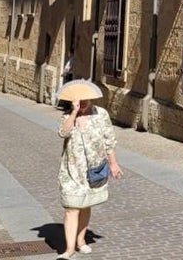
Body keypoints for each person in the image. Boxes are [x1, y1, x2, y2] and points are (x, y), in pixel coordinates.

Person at [56, 99, 123, 258]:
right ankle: (69, 249)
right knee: (71, 207)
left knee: (85, 205)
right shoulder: (68, 115)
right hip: (72, 170)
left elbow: (109, 141)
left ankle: (80, 241)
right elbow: (62, 133)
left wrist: (113, 164)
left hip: (92, 169)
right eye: (79, 100)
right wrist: (73, 113)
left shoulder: (101, 114)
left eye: (85, 99)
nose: (82, 102)